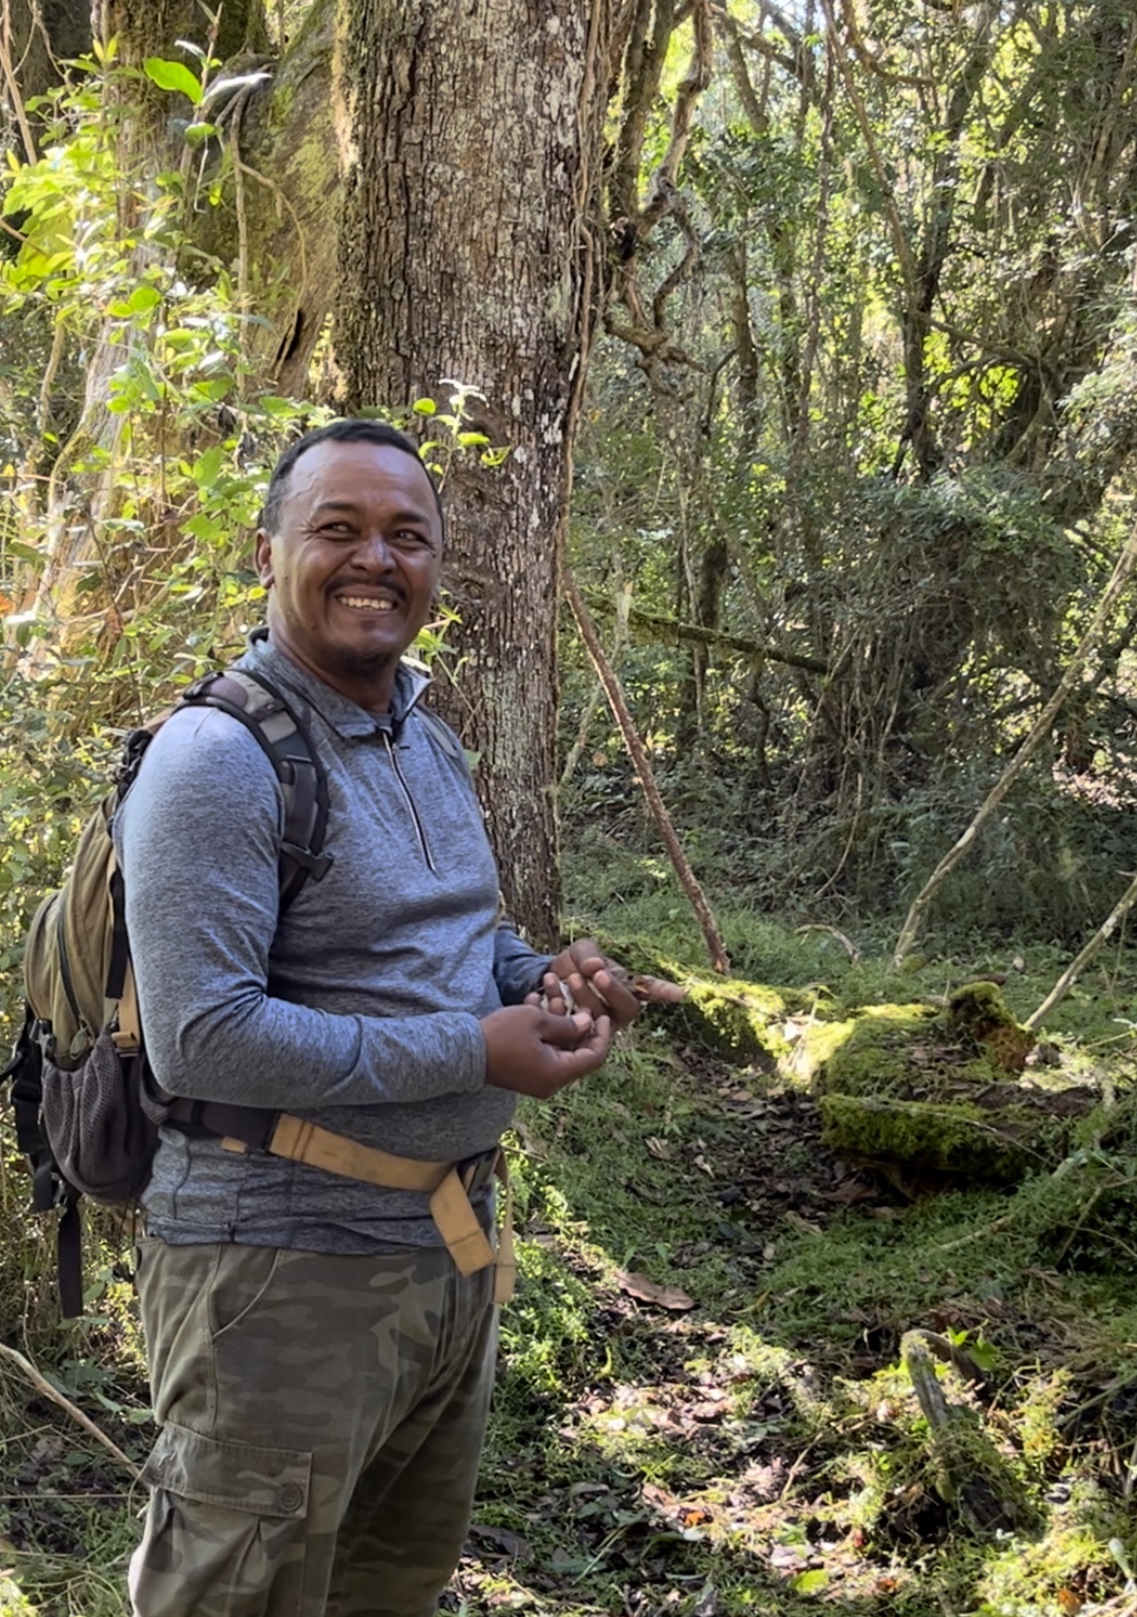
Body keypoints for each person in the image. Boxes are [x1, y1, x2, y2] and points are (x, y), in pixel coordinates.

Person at [115, 418, 679, 1617]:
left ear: (436, 569)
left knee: (389, 1592)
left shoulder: (427, 738)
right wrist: (477, 1049)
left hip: (446, 1251)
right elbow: (203, 1035)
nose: (376, 558)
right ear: (269, 552)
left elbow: (464, 945)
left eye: (406, 536)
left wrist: (545, 983)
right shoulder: (217, 758)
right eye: (339, 529)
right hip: (275, 1274)